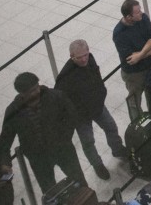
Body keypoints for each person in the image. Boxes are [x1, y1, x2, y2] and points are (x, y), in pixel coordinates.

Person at [0, 72, 85, 194]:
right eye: (30, 92)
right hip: (39, 159)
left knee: (79, 181)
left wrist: (64, 137)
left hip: (63, 150)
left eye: (36, 88)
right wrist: (5, 163)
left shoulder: (56, 97)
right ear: (22, 94)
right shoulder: (13, 112)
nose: (35, 93)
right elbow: (4, 141)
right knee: (50, 192)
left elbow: (72, 116)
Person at [53, 40, 126, 180]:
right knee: (88, 142)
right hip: (81, 116)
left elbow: (96, 76)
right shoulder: (64, 78)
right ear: (71, 56)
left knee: (111, 127)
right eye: (79, 57)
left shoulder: (90, 59)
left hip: (97, 106)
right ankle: (97, 165)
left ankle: (117, 149)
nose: (84, 59)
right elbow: (61, 102)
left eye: (85, 55)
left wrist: (101, 93)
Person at [112, 0, 151, 115]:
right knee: (134, 102)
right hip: (133, 74)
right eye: (138, 12)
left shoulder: (143, 18)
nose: (142, 13)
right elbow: (130, 58)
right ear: (129, 17)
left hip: (149, 65)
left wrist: (140, 55)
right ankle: (137, 125)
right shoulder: (119, 33)